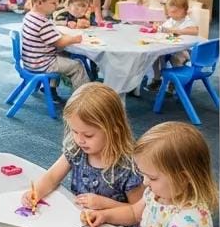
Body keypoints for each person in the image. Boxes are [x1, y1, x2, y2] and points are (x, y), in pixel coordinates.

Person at [86, 122, 219, 227]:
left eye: (153, 178)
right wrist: (106, 215)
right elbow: (134, 212)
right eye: (144, 175)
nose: (145, 182)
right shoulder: (155, 193)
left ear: (183, 178)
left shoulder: (191, 216)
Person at [22, 84, 142, 218]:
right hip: (80, 221)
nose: (80, 140)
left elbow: (139, 211)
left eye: (88, 135)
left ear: (114, 130)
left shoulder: (128, 166)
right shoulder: (76, 149)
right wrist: (36, 192)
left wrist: (104, 204)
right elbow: (52, 177)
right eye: (74, 131)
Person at [19, 0, 89, 92]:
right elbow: (59, 42)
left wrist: (63, 35)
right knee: (77, 66)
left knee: (61, 54)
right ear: (40, 2)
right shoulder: (42, 23)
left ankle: (50, 88)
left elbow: (51, 34)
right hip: (43, 64)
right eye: (53, 3)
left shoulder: (29, 17)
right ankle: (83, 97)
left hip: (30, 62)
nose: (57, 6)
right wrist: (74, 39)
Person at [150, 0, 199, 87]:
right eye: (169, 12)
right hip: (169, 48)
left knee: (176, 58)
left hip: (183, 51)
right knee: (154, 56)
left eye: (174, 12)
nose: (170, 14)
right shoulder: (172, 20)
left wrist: (174, 30)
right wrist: (159, 28)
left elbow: (194, 31)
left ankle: (175, 82)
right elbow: (164, 28)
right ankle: (157, 78)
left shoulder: (188, 21)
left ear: (183, 10)